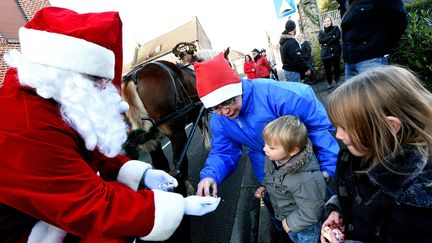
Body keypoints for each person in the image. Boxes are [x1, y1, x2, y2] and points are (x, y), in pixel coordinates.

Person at [0, 7, 220, 242]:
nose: (106, 87)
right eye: (99, 80)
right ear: (69, 75)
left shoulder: (52, 100)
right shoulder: (25, 125)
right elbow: (92, 206)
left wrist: (143, 174)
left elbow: (91, 152)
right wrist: (178, 206)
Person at [193, 53, 339, 240]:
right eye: (216, 108)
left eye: (228, 102)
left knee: (320, 214)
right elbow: (223, 150)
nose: (225, 111)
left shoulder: (280, 96)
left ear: (238, 88)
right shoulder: (220, 119)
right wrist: (210, 176)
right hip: (268, 173)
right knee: (281, 214)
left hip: (303, 171)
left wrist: (326, 170)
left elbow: (318, 127)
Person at [321, 65, 432, 243]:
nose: (338, 136)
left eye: (345, 127)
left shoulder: (415, 203)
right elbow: (353, 192)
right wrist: (338, 210)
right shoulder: (364, 152)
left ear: (389, 127)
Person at [255, 115, 326, 243]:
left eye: (271, 147)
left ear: (293, 150)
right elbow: (271, 175)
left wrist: (289, 223)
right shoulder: (273, 158)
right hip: (287, 218)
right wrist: (264, 185)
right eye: (265, 144)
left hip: (305, 227)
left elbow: (312, 212)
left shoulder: (305, 179)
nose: (264, 149)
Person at [336, 0, 408, 79]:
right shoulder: (344, 3)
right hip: (349, 64)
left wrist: (381, 47)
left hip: (372, 61)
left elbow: (400, 18)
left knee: (376, 91)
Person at [318, 17, 342, 89]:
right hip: (326, 53)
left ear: (331, 21)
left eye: (328, 21)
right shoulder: (321, 32)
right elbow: (320, 41)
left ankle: (337, 80)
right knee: (327, 69)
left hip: (335, 51)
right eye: (325, 21)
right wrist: (331, 36)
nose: (327, 22)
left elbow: (337, 36)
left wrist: (327, 42)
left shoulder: (335, 28)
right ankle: (329, 83)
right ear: (323, 23)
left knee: (336, 67)